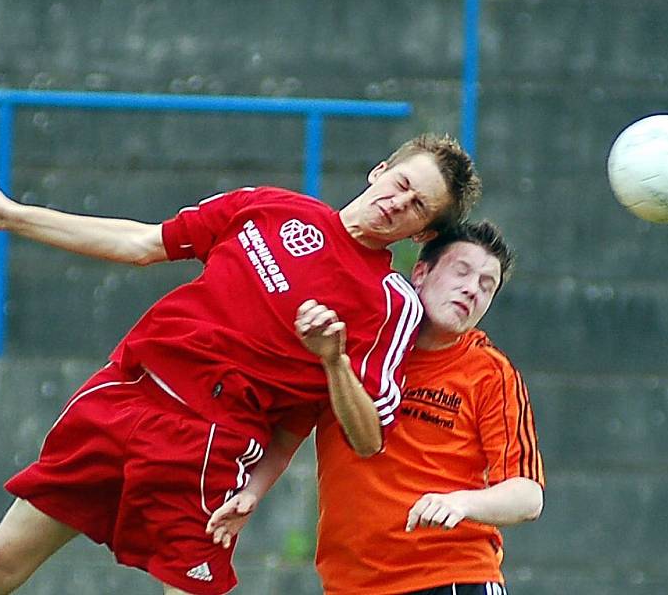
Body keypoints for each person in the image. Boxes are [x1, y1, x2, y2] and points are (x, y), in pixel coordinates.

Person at [0, 133, 480, 595]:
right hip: (123, 396)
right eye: (401, 183)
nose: (398, 201)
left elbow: (366, 437)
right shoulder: (267, 205)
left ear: (421, 234)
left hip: (205, 444)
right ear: (379, 171)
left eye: (417, 206)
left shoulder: (389, 303)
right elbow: (141, 243)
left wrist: (333, 360)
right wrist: (12, 215)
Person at [207, 220, 546, 595]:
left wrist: (461, 503)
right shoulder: (353, 345)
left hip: (451, 576)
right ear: (421, 272)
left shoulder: (490, 372)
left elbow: (527, 495)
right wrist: (251, 494)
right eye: (461, 271)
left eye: (486, 286)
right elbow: (288, 436)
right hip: (350, 584)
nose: (471, 290)